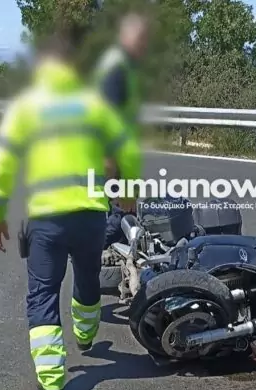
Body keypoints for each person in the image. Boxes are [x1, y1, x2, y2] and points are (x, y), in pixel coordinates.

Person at [0, 30, 141, 390]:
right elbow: (127, 150)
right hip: (90, 216)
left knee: (43, 294)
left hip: (47, 221)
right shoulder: (94, 105)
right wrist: (128, 194)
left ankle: (53, 382)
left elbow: (1, 165)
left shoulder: (26, 108)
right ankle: (85, 337)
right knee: (87, 276)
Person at [93, 12, 149, 249]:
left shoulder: (123, 66)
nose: (144, 46)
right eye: (141, 40)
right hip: (113, 165)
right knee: (120, 220)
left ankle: (95, 254)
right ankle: (91, 253)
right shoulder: (117, 69)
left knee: (121, 221)